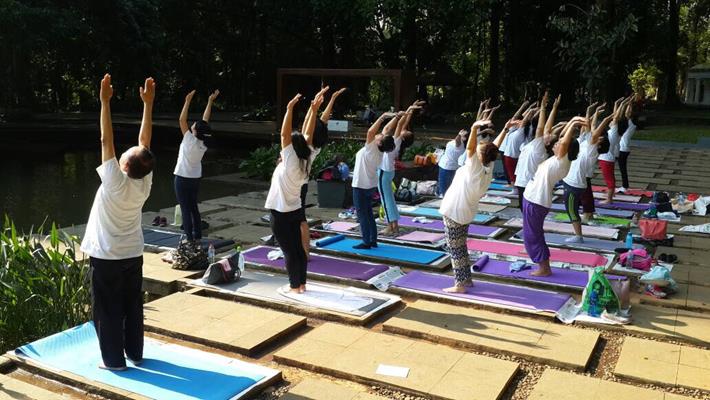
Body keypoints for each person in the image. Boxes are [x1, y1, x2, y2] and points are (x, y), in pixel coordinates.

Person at [80, 74, 155, 370]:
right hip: (132, 253)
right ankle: (134, 353)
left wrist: (104, 101)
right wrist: (148, 105)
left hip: (107, 256)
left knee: (108, 309)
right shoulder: (144, 181)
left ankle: (113, 362)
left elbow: (105, 139)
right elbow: (144, 143)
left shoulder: (115, 181)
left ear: (123, 165)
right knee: (132, 306)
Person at [439, 118, 509, 293]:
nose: (476, 147)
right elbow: (494, 147)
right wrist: (505, 129)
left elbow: (471, 148)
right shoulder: (488, 167)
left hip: (455, 211)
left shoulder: (475, 168)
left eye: (479, 148)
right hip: (465, 212)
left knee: (455, 248)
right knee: (460, 246)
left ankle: (460, 284)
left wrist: (474, 128)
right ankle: (466, 280)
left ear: (480, 156)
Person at [265, 91, 323, 293]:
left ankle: (294, 287)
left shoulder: (289, 159)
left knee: (289, 251)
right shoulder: (307, 158)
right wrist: (313, 110)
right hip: (295, 211)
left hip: (280, 213)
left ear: (291, 148)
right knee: (298, 250)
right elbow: (308, 134)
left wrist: (289, 109)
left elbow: (284, 134)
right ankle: (302, 284)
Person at [522, 117, 587, 277]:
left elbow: (565, 142)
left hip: (536, 201)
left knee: (533, 235)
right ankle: (543, 264)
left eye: (559, 144)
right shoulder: (559, 159)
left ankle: (544, 268)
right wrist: (569, 124)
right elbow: (563, 140)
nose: (556, 144)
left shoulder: (561, 161)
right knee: (532, 234)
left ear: (565, 150)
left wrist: (572, 123)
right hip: (532, 198)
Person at [298, 86, 346, 259]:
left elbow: (307, 127)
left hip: (298, 186)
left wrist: (313, 109)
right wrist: (331, 99)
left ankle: (305, 253)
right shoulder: (316, 143)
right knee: (299, 221)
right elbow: (320, 120)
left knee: (300, 221)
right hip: (299, 184)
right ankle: (303, 251)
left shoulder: (308, 146)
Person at [174, 89, 219, 250]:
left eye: (193, 126)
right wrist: (209, 101)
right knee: (193, 206)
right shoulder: (203, 143)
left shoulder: (189, 140)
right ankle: (198, 235)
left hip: (182, 177)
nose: (192, 124)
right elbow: (204, 122)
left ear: (194, 131)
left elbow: (181, 119)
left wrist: (187, 101)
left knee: (185, 208)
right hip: (194, 178)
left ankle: (189, 238)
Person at [562, 112, 613, 243]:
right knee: (570, 209)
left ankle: (578, 236)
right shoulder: (585, 144)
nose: (597, 136)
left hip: (574, 184)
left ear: (600, 144)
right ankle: (578, 233)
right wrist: (591, 115)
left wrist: (607, 119)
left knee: (572, 211)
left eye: (600, 138)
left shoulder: (592, 150)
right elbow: (589, 129)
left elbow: (595, 133)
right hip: (570, 181)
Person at [352, 112, 398, 249]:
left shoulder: (371, 148)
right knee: (369, 214)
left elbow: (371, 130)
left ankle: (366, 241)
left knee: (363, 215)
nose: (380, 134)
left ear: (378, 142)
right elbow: (385, 131)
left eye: (381, 137)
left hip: (360, 186)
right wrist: (397, 117)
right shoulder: (380, 151)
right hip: (370, 185)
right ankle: (373, 239)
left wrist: (383, 116)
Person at [378, 101, 422, 235]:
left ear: (403, 136)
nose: (404, 129)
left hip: (384, 173)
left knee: (386, 201)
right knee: (389, 200)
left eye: (405, 131)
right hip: (389, 172)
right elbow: (402, 124)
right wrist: (409, 110)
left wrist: (407, 110)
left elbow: (399, 125)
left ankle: (390, 227)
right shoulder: (397, 143)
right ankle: (394, 226)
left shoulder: (394, 141)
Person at [514, 92, 561, 209]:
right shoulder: (540, 146)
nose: (548, 133)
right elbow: (546, 128)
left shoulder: (539, 148)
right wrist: (554, 108)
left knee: (525, 210)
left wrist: (543, 108)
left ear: (548, 142)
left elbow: (542, 128)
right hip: (523, 182)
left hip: (525, 183)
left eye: (550, 135)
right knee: (525, 210)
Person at [597, 96, 632, 204]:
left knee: (609, 179)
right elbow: (616, 117)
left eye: (613, 121)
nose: (612, 121)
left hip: (606, 158)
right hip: (609, 158)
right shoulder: (616, 133)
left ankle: (609, 199)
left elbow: (616, 117)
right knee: (610, 178)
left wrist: (622, 104)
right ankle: (611, 195)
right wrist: (618, 104)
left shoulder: (613, 132)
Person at [437, 129, 467, 197]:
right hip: (449, 166)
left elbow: (457, 141)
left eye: (464, 136)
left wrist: (459, 135)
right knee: (446, 187)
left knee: (444, 190)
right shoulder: (462, 145)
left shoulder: (460, 145)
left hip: (447, 167)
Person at [616, 99, 638, 193]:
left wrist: (628, 104)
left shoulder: (630, 123)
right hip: (624, 149)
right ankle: (625, 185)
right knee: (622, 168)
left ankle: (624, 186)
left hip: (622, 149)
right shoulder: (631, 124)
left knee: (622, 169)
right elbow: (627, 113)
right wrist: (629, 103)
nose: (626, 112)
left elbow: (627, 113)